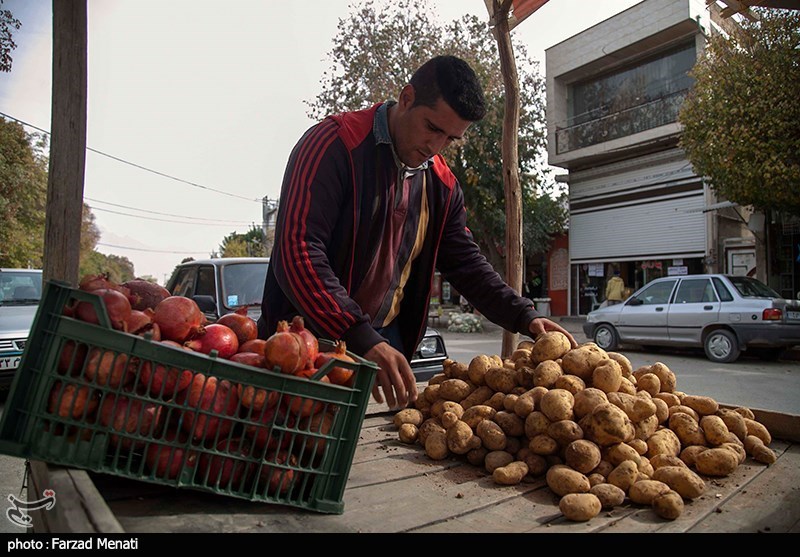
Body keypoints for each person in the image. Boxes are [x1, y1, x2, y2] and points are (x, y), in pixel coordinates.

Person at [258, 55, 576, 410]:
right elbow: (298, 251)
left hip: (381, 343)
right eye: (432, 128)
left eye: (450, 139)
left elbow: (467, 265)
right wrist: (359, 335)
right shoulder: (334, 144)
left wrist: (524, 315)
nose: (435, 147)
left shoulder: (442, 185)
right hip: (301, 347)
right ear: (407, 98)